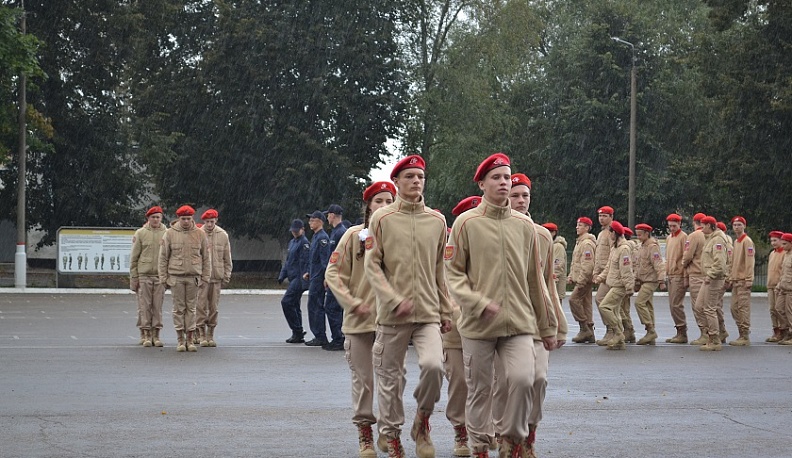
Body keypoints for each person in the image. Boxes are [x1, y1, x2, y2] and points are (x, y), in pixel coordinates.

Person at [446, 154, 557, 458]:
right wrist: (477, 302)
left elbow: (536, 281)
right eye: (496, 178)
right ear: (482, 184)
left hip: (519, 323)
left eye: (507, 177)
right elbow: (452, 273)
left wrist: (548, 327)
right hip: (478, 325)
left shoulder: (525, 226)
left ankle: (512, 439)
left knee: (524, 380)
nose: (504, 183)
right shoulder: (466, 223)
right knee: (480, 391)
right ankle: (481, 447)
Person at [364, 154, 453, 458]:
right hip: (392, 315)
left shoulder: (437, 220)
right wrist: (391, 299)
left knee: (433, 367)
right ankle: (392, 437)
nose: (417, 181)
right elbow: (372, 265)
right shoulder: (382, 219)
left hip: (427, 312)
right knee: (390, 380)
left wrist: (446, 309)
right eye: (410, 177)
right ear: (398, 182)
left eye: (421, 176)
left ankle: (422, 420)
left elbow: (440, 269)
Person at [325, 181, 396, 458]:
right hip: (359, 322)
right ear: (368, 206)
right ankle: (365, 432)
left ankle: (388, 432)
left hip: (391, 322)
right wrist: (352, 302)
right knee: (364, 381)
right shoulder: (354, 235)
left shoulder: (401, 236)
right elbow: (333, 273)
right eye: (379, 201)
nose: (384, 206)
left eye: (390, 201)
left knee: (391, 381)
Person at [504, 172, 566, 457]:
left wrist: (558, 325)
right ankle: (509, 437)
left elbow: (548, 284)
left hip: (536, 320)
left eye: (524, 195)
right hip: (504, 322)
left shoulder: (542, 235)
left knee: (538, 378)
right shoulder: (496, 228)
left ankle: (529, 434)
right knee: (510, 382)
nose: (519, 200)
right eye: (514, 195)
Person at [443, 195, 483, 457]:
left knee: (486, 381)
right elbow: (440, 286)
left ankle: (483, 429)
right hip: (456, 329)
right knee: (458, 380)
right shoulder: (447, 251)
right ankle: (461, 429)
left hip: (486, 327)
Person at [158, 205, 210, 352]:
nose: (186, 221)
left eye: (188, 218)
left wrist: (205, 277)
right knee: (179, 309)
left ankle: (190, 339)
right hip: (176, 277)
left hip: (193, 277)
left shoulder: (200, 234)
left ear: (192, 218)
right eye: (183, 219)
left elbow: (206, 258)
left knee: (192, 309)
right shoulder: (169, 234)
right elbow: (163, 258)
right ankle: (180, 340)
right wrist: (163, 278)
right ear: (178, 219)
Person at [593, 221, 635, 350]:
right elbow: (609, 267)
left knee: (605, 306)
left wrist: (629, 287)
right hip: (613, 283)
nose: (609, 235)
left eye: (610, 232)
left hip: (619, 285)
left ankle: (618, 333)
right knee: (615, 311)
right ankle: (619, 342)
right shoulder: (615, 248)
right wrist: (600, 278)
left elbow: (626, 269)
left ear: (615, 233)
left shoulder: (624, 249)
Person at [129, 206, 167, 347]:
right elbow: (134, 257)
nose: (156, 219)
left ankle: (156, 335)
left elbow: (170, 256)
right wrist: (134, 277)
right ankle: (145, 334)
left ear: (161, 218)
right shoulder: (140, 233)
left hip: (159, 276)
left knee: (157, 306)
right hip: (144, 275)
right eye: (153, 217)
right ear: (148, 218)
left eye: (158, 217)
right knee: (144, 306)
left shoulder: (167, 233)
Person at [196, 209, 232, 347]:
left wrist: (226, 275)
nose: (209, 224)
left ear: (216, 220)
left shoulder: (223, 235)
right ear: (203, 222)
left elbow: (227, 257)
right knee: (200, 306)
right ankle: (201, 334)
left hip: (216, 277)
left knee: (213, 307)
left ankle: (211, 333)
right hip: (202, 277)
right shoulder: (198, 233)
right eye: (207, 222)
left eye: (212, 221)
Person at [696, 216, 728, 351]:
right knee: (699, 306)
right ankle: (710, 334)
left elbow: (720, 263)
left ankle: (715, 339)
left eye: (703, 226)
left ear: (709, 225)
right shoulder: (710, 239)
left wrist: (711, 275)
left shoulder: (718, 240)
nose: (701, 229)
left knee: (709, 308)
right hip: (708, 277)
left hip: (714, 278)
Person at [633, 223, 666, 345]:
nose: (639, 237)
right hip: (643, 280)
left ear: (647, 234)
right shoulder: (641, 246)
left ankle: (650, 330)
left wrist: (661, 280)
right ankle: (650, 333)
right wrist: (636, 280)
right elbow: (638, 265)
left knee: (639, 303)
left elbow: (658, 263)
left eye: (640, 235)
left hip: (651, 280)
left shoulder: (652, 246)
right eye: (637, 235)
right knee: (648, 305)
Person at [278, 219, 311, 343]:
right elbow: (288, 261)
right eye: (293, 231)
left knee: (286, 302)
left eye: (297, 231)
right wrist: (282, 275)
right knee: (294, 305)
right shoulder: (292, 242)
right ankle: (298, 333)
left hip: (299, 278)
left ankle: (297, 330)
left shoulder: (304, 243)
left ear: (302, 229)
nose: (295, 233)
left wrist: (305, 279)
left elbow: (306, 262)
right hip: (292, 277)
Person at [303, 210, 332, 347]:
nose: (310, 222)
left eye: (313, 220)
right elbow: (313, 259)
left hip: (319, 277)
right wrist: (309, 271)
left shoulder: (322, 238)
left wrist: (325, 277)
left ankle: (321, 336)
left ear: (320, 221)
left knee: (317, 306)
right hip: (314, 275)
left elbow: (324, 260)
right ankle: (317, 334)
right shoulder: (315, 237)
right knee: (313, 305)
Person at [567, 217, 597, 343]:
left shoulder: (587, 243)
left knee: (573, 300)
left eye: (580, 225)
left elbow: (587, 264)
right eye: (577, 225)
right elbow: (576, 262)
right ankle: (589, 332)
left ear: (587, 228)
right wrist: (571, 275)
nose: (577, 227)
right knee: (586, 304)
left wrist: (581, 280)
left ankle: (584, 328)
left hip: (584, 279)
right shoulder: (580, 242)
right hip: (581, 278)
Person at [323, 204, 348, 351]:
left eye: (328, 215)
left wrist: (332, 276)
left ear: (332, 215)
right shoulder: (336, 232)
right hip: (336, 275)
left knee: (332, 307)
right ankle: (338, 337)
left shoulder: (340, 233)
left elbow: (339, 257)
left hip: (338, 276)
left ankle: (338, 338)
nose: (327, 217)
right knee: (334, 307)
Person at [726, 216, 755, 346]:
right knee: (734, 308)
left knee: (743, 308)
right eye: (735, 225)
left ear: (744, 226)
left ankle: (744, 335)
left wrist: (749, 278)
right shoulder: (736, 242)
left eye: (739, 224)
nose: (736, 227)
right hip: (736, 280)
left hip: (743, 280)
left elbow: (749, 262)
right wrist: (731, 277)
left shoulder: (747, 241)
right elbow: (733, 262)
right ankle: (741, 332)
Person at [682, 213, 708, 345]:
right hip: (708, 274)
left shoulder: (693, 236)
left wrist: (683, 264)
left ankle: (705, 333)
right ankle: (718, 332)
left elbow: (687, 255)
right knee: (710, 305)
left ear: (694, 223)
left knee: (698, 306)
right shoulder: (711, 235)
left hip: (696, 274)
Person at [664, 213, 689, 343]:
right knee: (672, 305)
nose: (672, 228)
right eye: (670, 226)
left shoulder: (683, 237)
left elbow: (685, 258)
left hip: (679, 274)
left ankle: (682, 332)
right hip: (671, 274)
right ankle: (679, 330)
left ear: (679, 224)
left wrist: (685, 276)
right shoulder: (669, 238)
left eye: (674, 225)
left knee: (676, 304)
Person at [594, 206, 615, 345]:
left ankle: (612, 330)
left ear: (611, 217)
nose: (602, 219)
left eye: (605, 216)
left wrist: (605, 273)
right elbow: (598, 255)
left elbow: (613, 255)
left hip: (611, 273)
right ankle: (624, 331)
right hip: (603, 273)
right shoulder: (601, 233)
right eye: (600, 216)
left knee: (601, 300)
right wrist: (596, 272)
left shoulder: (612, 233)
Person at [766, 231, 786, 342]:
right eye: (771, 241)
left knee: (780, 309)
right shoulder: (772, 253)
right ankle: (776, 331)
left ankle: (783, 331)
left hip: (780, 286)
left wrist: (780, 284)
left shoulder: (784, 253)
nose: (773, 243)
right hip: (770, 285)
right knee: (772, 309)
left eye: (775, 240)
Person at [542, 222, 568, 304]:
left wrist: (553, 278)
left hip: (555, 281)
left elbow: (558, 264)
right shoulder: (549, 244)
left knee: (555, 306)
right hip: (551, 279)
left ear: (553, 233)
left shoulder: (557, 246)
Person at [774, 233, 792, 345]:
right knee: (779, 308)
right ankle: (786, 332)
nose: (783, 246)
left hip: (790, 288)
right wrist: (779, 285)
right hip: (783, 287)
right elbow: (783, 272)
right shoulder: (786, 255)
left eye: (785, 244)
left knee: (790, 312)